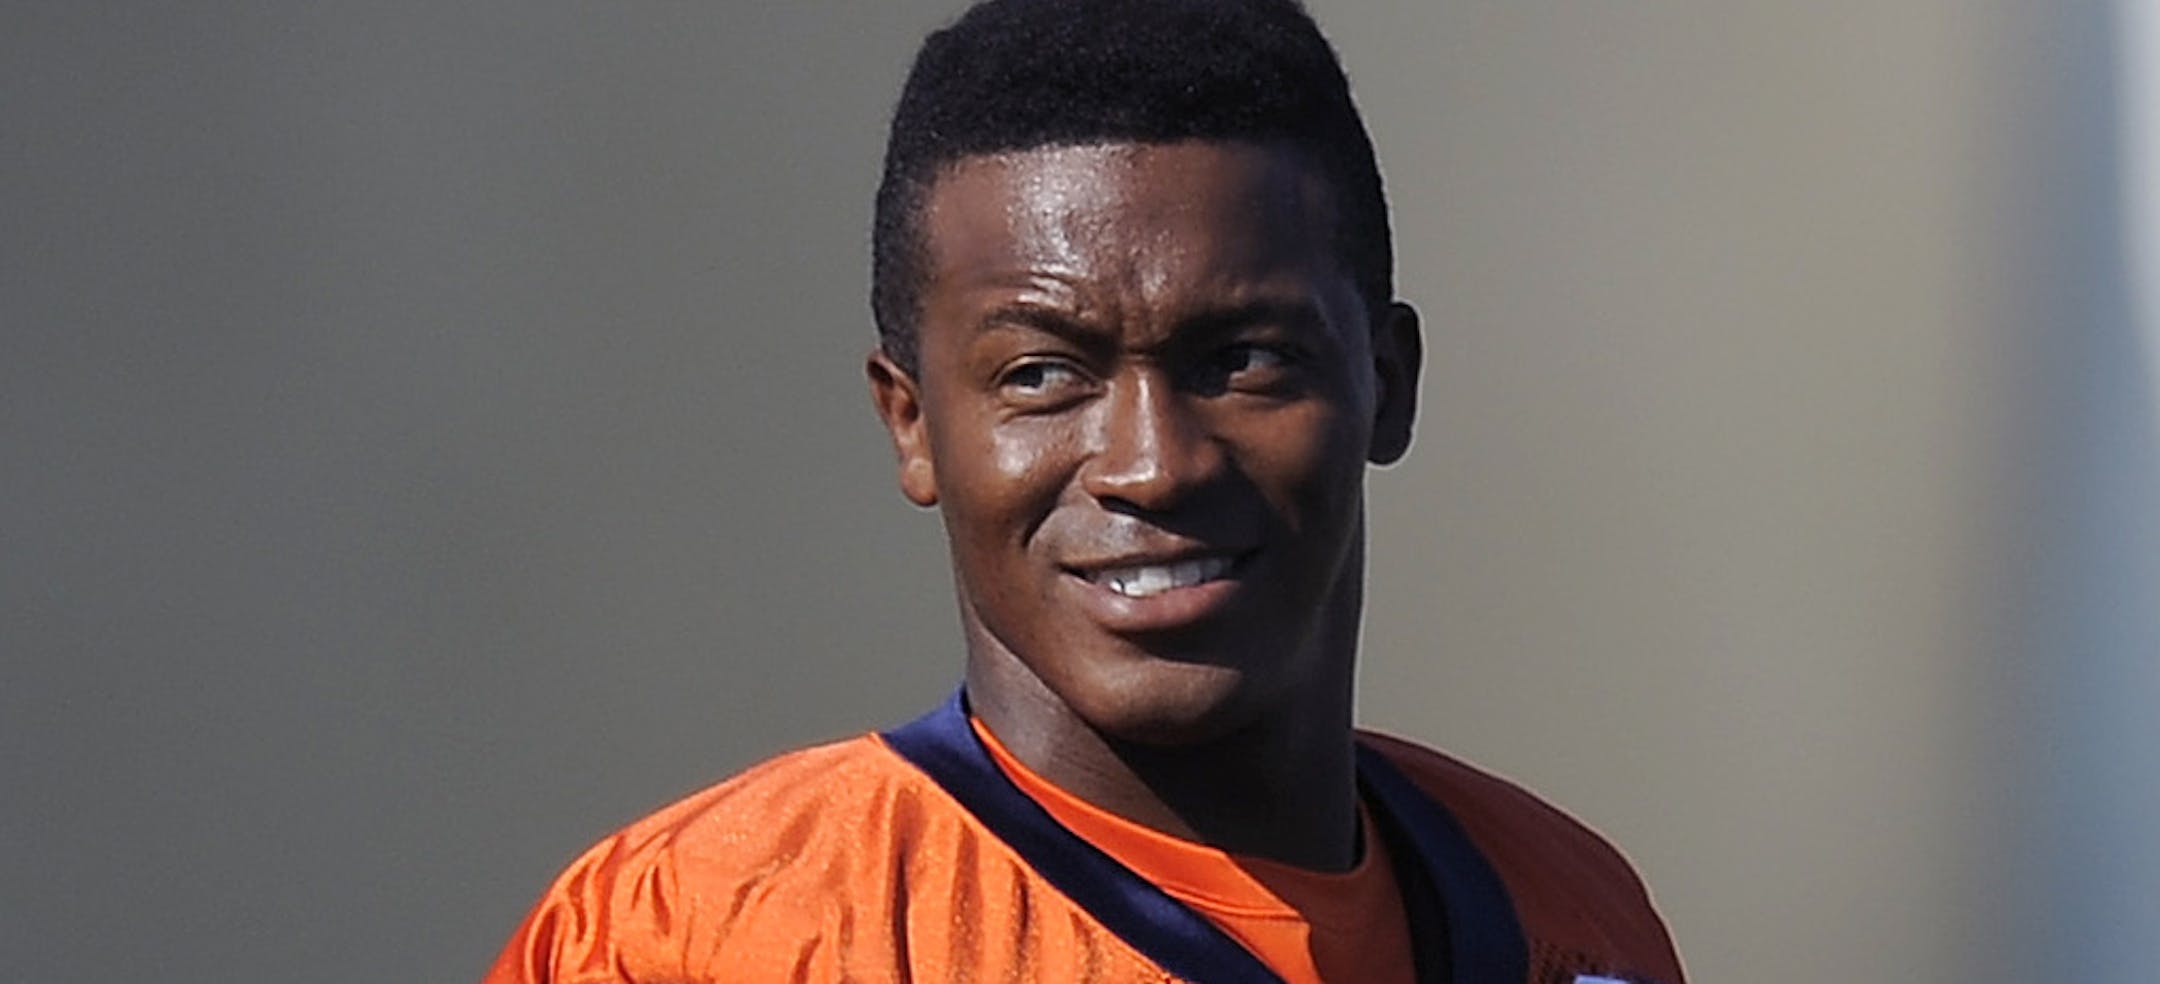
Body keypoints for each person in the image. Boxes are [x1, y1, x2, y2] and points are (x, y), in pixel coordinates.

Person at [482, 0, 1685, 981]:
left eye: (1243, 357)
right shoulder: (702, 935)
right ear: (912, 423)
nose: (1152, 463)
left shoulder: (1570, 912)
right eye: (1043, 372)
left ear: (1388, 382)